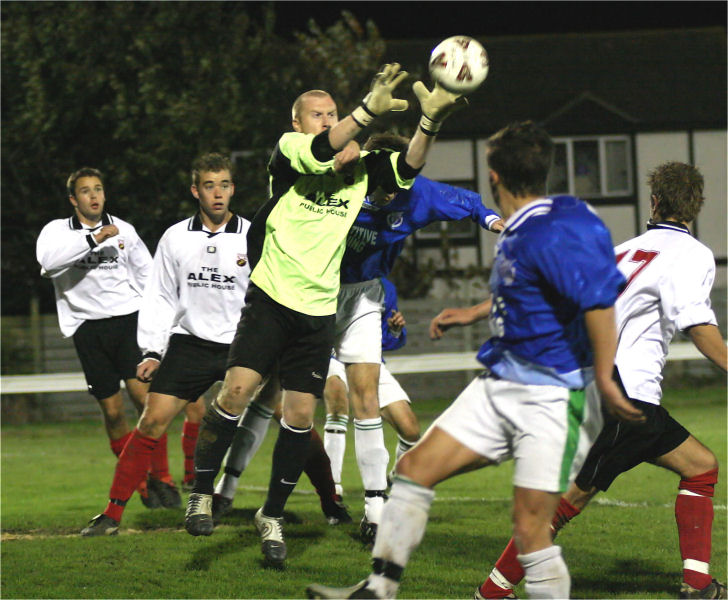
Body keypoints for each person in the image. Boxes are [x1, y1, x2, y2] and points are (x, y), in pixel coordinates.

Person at [305, 120, 645, 600]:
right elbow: (540, 290)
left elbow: (600, 300)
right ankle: (377, 590)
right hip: (498, 384)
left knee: (531, 530)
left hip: (553, 398)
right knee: (413, 470)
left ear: (493, 177)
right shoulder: (525, 227)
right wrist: (472, 313)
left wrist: (606, 379)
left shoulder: (562, 223)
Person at [185, 63, 466, 569]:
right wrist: (361, 115)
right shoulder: (290, 152)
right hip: (271, 296)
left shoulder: (363, 168)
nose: (326, 122)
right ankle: (202, 491)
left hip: (319, 309)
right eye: (317, 115)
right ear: (298, 124)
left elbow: (409, 170)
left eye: (331, 113)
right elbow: (319, 151)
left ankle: (270, 514)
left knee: (299, 416)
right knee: (236, 393)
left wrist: (430, 125)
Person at [475, 161, 727, 600]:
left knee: (700, 466)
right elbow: (698, 324)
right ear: (696, 207)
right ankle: (493, 591)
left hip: (599, 386)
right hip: (625, 394)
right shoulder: (693, 255)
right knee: (571, 498)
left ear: (654, 202)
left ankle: (698, 583)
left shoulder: (621, 252)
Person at [327, 131, 505, 542]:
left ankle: (376, 509)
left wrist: (494, 221)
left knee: (379, 407)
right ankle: (269, 497)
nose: (389, 192)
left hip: (363, 297)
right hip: (315, 294)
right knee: (296, 408)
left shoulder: (417, 192)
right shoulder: (340, 184)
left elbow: (468, 203)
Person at [79, 153, 255, 535]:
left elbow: (267, 293)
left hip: (239, 347)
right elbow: (159, 296)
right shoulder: (176, 237)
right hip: (190, 343)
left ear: (233, 189)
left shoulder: (253, 235)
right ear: (196, 190)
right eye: (210, 185)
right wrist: (152, 350)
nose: (218, 193)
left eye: (225, 184)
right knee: (152, 421)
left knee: (295, 414)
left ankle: (330, 500)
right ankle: (111, 514)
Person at [36, 167, 169, 508]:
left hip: (128, 323)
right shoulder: (56, 232)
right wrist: (94, 239)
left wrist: (158, 324)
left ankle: (162, 478)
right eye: (85, 191)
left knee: (147, 401)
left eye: (98, 189)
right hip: (88, 329)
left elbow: (148, 275)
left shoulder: (124, 230)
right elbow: (49, 264)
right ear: (73, 199)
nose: (93, 196)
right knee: (112, 413)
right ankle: (139, 483)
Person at [324, 277, 420, 504]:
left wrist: (395, 330)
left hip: (368, 362)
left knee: (410, 430)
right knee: (338, 403)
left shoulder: (385, 286)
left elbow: (386, 341)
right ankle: (332, 489)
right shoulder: (326, 271)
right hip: (332, 355)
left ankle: (397, 477)